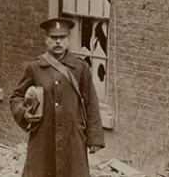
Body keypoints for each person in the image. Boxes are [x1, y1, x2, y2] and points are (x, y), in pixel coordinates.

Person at [9, 17, 105, 177]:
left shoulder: (80, 68)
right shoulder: (35, 67)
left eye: (63, 38)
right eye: (54, 38)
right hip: (42, 138)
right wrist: (24, 113)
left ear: (69, 40)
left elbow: (91, 104)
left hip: (72, 138)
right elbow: (16, 97)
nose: (58, 42)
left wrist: (94, 138)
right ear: (46, 40)